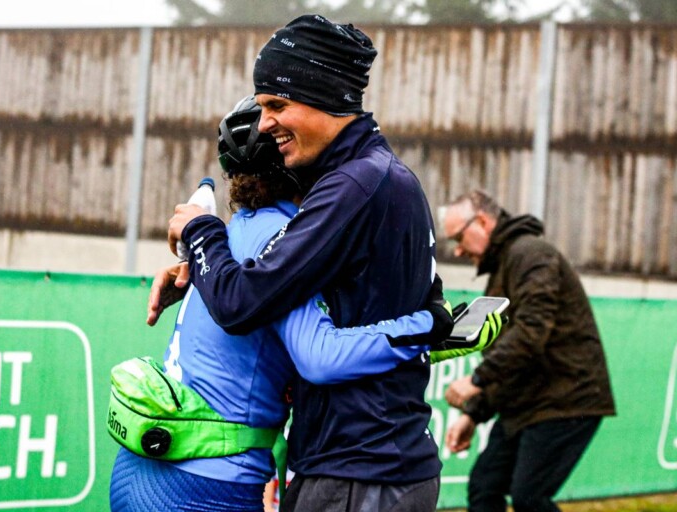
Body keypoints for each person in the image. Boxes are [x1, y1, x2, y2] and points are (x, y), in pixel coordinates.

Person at [111, 96, 469, 512]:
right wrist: (426, 326)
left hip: (147, 470)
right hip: (206, 482)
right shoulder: (282, 238)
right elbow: (321, 356)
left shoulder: (236, 230)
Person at [164, 14, 446, 512]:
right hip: (368, 465)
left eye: (277, 105)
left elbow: (240, 302)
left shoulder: (353, 186)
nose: (264, 123)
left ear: (324, 97)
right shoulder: (376, 176)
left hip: (359, 472)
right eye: (261, 107)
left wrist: (200, 231)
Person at [441, 190, 616, 512]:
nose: (458, 250)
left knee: (529, 497)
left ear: (482, 222)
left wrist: (476, 380)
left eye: (459, 238)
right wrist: (474, 414)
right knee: (484, 487)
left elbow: (530, 334)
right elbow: (511, 357)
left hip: (566, 400)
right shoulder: (505, 267)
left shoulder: (531, 254)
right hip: (528, 402)